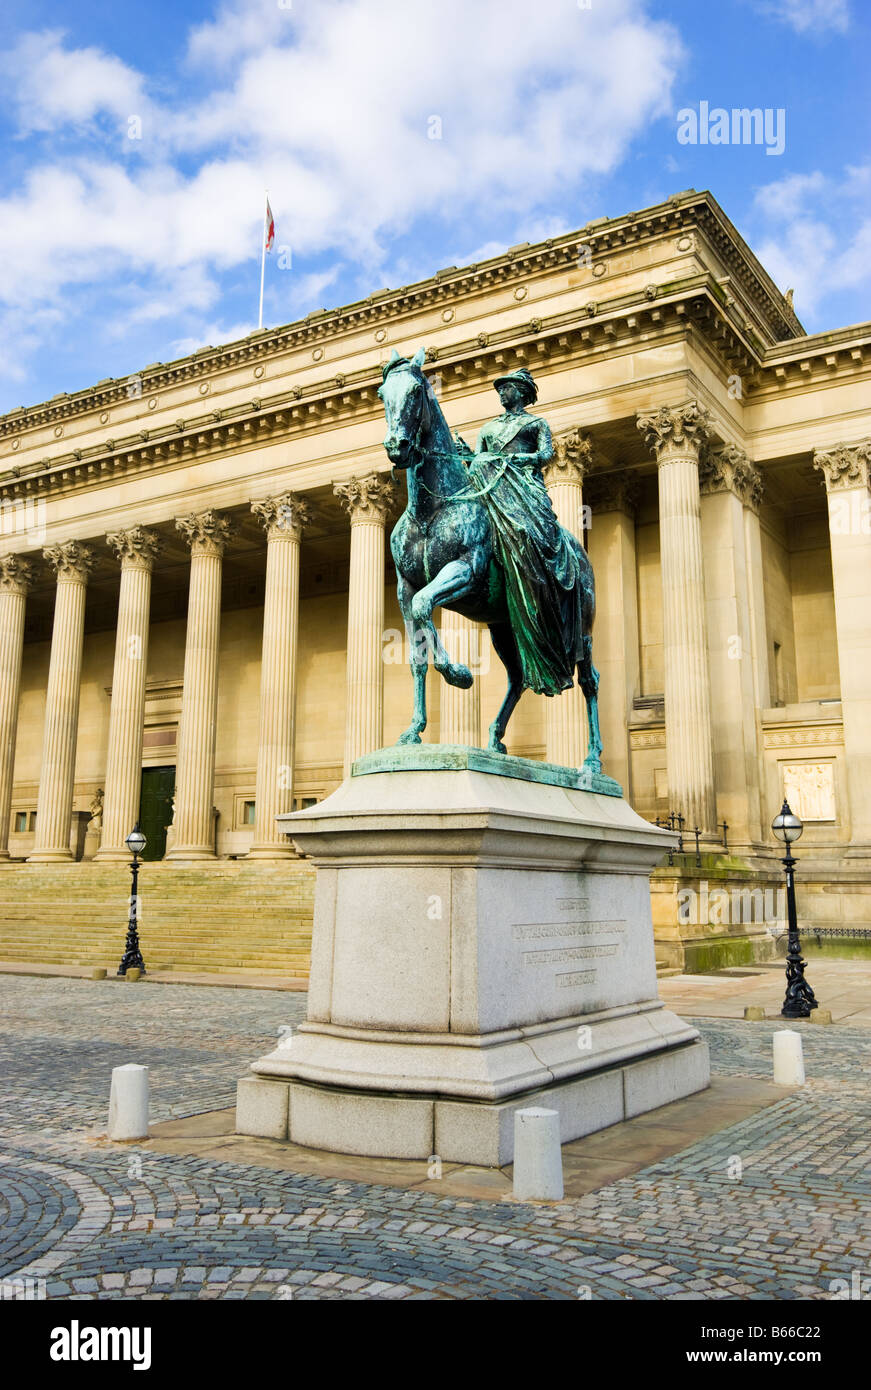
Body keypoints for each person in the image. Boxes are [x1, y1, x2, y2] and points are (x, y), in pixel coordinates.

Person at [465, 368, 587, 695]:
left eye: (507, 388)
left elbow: (546, 455)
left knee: (527, 534)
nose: (502, 393)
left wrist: (519, 460)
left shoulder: (535, 424)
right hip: (493, 489)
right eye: (500, 389)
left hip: (524, 489)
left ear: (522, 392)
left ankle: (540, 588)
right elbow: (478, 459)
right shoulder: (489, 428)